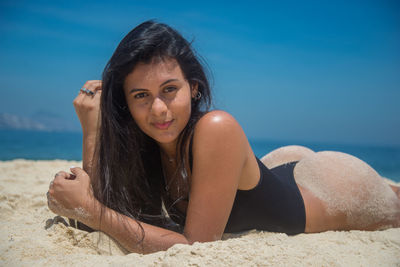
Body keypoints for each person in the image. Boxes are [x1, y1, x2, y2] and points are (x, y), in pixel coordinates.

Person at [47, 20, 400, 254]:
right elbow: (111, 201)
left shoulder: (215, 127)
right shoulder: (149, 142)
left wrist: (90, 211)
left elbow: (194, 245)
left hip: (337, 190)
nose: (158, 109)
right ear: (125, 102)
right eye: (140, 95)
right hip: (282, 169)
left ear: (194, 88)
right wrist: (92, 128)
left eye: (170, 89)